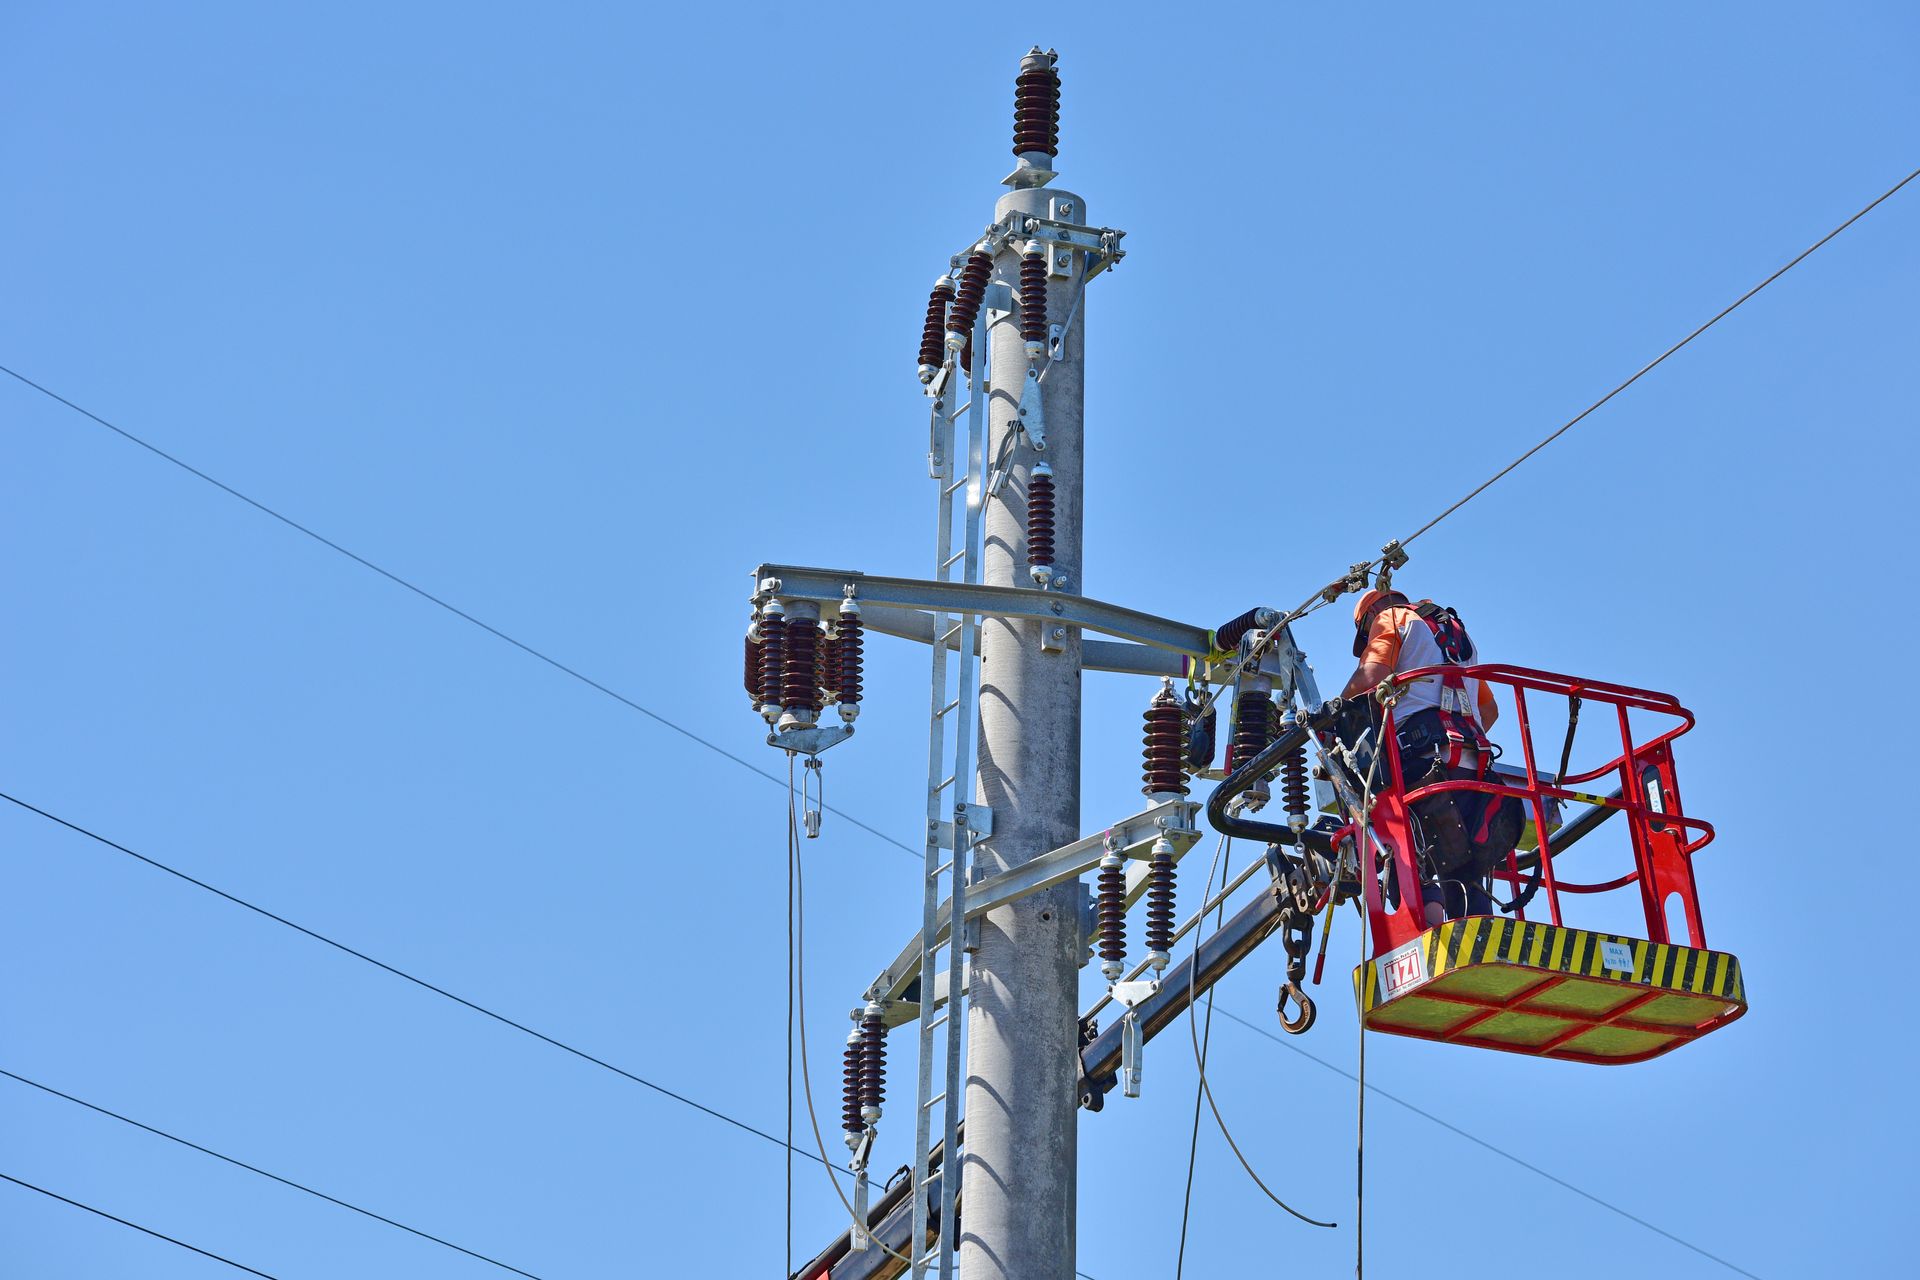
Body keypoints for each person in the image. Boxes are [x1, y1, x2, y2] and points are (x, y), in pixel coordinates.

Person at [1339, 587, 1522, 924]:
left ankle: (1430, 931)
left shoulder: (1390, 618)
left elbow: (1371, 677)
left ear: (1371, 614)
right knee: (1464, 860)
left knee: (1400, 844)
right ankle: (1478, 935)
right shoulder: (1453, 632)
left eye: (1365, 634)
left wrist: (1335, 711)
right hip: (1472, 764)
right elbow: (1489, 711)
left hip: (1421, 759)